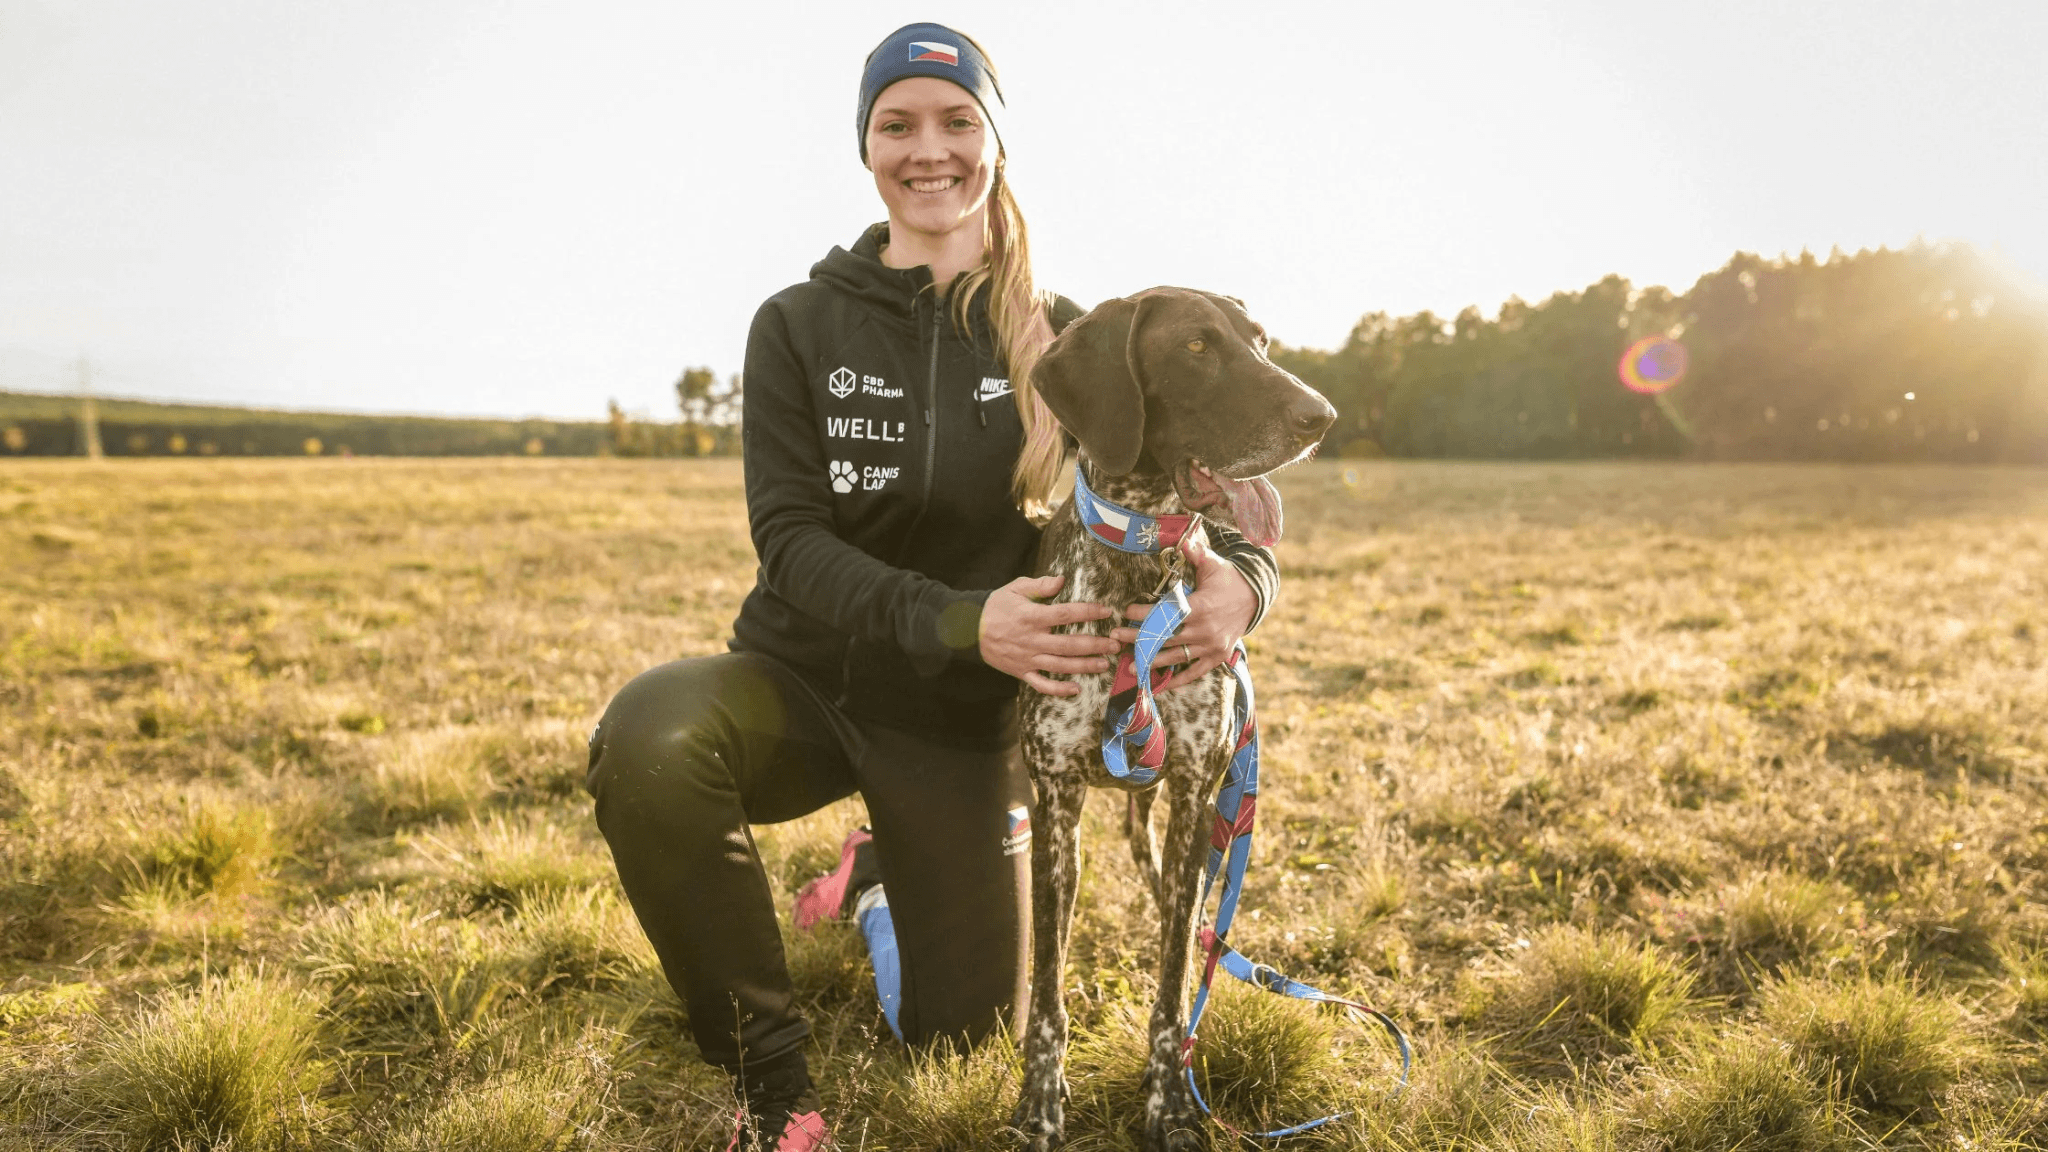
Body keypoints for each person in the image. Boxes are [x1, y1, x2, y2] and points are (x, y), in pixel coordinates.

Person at [584, 22, 1280, 1151]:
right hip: (805, 684)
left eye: (957, 121)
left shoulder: (1070, 339)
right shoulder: (798, 325)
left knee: (959, 1037)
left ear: (994, 141)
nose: (928, 149)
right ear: (864, 144)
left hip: (965, 726)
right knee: (653, 736)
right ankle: (770, 1075)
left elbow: (1196, 482)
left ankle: (872, 885)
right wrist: (964, 618)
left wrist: (1245, 583)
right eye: (895, 123)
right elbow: (790, 543)